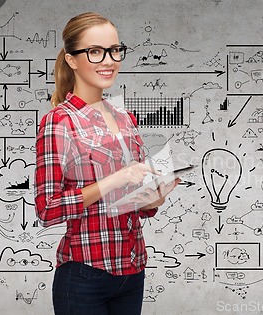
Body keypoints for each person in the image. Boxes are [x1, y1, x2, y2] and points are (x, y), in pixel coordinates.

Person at [34, 12, 179, 315]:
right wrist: (116, 179)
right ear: (72, 59)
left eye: (114, 50)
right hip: (85, 273)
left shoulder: (124, 117)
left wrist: (155, 194)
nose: (109, 60)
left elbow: (138, 205)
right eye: (95, 51)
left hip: (132, 269)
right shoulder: (60, 123)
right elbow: (47, 210)